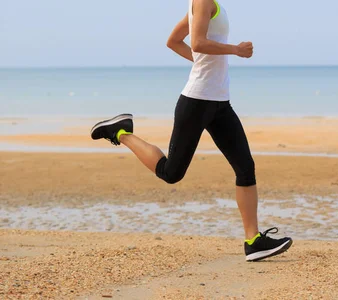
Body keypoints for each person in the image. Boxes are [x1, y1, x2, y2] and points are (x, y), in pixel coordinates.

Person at [90, 0, 292, 262]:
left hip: (219, 102)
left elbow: (174, 41)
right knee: (171, 172)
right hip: (196, 102)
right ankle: (121, 132)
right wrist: (236, 50)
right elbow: (196, 43)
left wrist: (202, 61)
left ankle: (253, 241)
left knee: (245, 167)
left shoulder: (206, 4)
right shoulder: (202, 1)